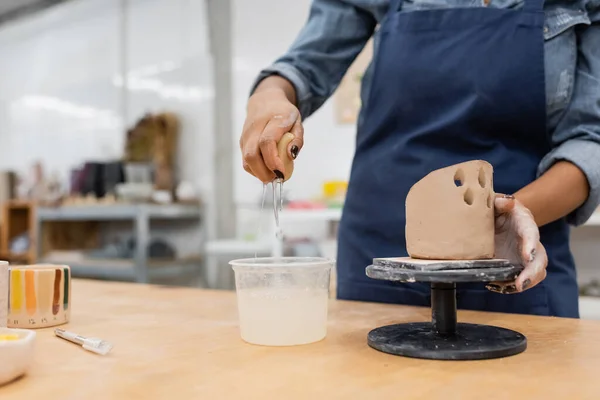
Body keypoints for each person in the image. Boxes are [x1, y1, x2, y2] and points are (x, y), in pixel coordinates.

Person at [239, 0, 600, 318]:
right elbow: (304, 66)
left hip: (512, 258)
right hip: (381, 256)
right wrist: (269, 96)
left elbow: (590, 141)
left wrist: (503, 221)